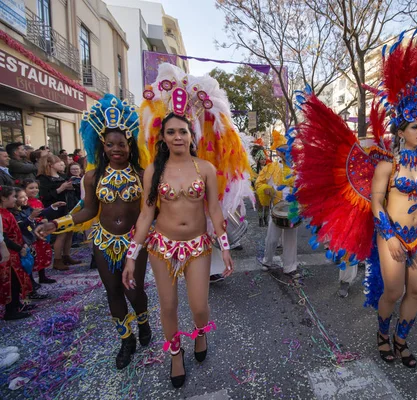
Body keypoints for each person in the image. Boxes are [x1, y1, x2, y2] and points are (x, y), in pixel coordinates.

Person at [288, 24, 417, 368]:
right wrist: (390, 237)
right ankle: (382, 334)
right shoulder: (387, 166)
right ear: (401, 131)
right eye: (415, 126)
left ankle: (401, 339)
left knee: (416, 291)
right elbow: (377, 204)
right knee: (393, 292)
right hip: (391, 234)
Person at [123, 64, 251, 388]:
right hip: (161, 246)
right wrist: (130, 256)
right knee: (167, 305)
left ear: (191, 134)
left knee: (199, 305)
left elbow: (215, 211)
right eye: (171, 132)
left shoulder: (206, 168)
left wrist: (225, 247)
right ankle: (175, 353)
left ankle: (200, 334)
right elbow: (145, 215)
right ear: (163, 137)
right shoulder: (153, 171)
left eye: (183, 131)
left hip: (197, 245)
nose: (178, 136)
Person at [35, 94, 153, 369]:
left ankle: (144, 322)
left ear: (129, 144)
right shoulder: (92, 176)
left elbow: (150, 211)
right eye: (110, 144)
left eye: (121, 144)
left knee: (133, 291)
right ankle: (126, 339)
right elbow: (88, 211)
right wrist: (57, 224)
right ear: (102, 145)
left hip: (134, 242)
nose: (116, 149)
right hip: (102, 240)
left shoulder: (142, 173)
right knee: (112, 289)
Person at [258, 144, 300, 280]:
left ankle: (290, 267)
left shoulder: (299, 170)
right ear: (280, 154)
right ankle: (267, 261)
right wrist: (266, 188)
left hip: (293, 209)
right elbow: (259, 182)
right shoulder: (272, 167)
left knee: (290, 239)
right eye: (286, 153)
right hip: (277, 209)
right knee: (272, 238)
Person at [36, 155, 78, 270]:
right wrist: (61, 189)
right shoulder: (43, 179)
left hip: (67, 206)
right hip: (55, 209)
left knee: (69, 232)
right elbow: (44, 197)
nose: (62, 164)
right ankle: (57, 259)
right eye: (59, 163)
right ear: (50, 164)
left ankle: (66, 255)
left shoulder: (62, 176)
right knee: (61, 233)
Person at [0, 186, 33, 320]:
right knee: (11, 282)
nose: (15, 199)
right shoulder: (2, 215)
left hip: (15, 253)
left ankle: (17, 304)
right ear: (3, 198)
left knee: (17, 280)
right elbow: (4, 238)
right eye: (13, 197)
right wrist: (19, 248)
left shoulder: (7, 212)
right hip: (9, 254)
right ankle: (11, 310)